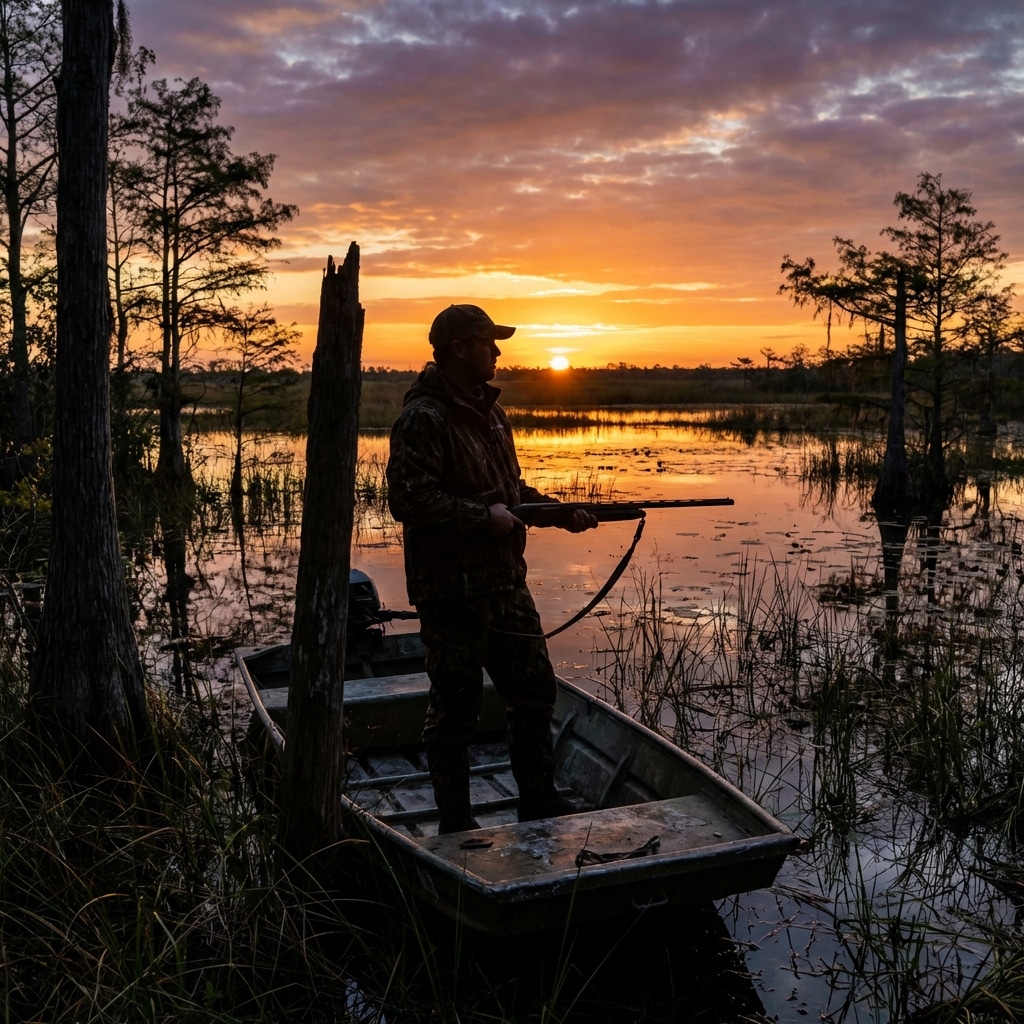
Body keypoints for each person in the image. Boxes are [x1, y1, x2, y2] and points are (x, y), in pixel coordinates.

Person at [386, 303, 597, 834]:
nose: (498, 351)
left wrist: (559, 513)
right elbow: (409, 501)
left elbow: (511, 496)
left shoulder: (492, 412)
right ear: (459, 348)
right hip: (451, 594)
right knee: (455, 711)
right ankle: (457, 823)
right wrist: (482, 518)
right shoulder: (423, 417)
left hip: (506, 585)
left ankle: (540, 803)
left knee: (535, 692)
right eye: (488, 341)